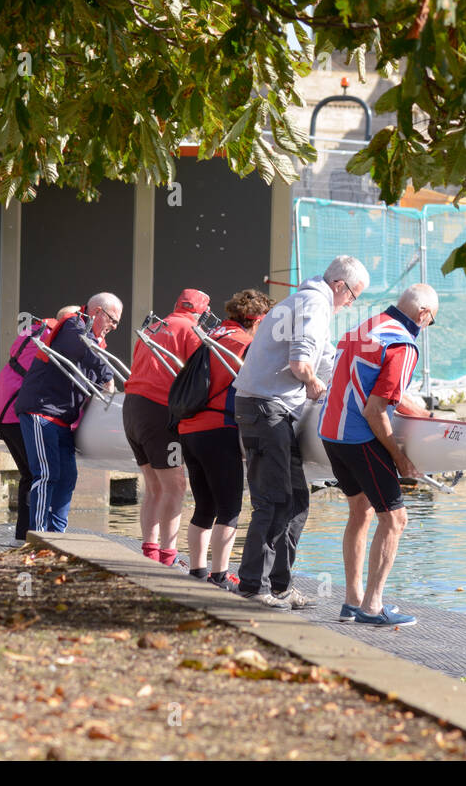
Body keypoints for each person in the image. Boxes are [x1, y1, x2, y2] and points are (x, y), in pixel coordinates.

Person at [232, 255, 370, 609]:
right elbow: (302, 363)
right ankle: (252, 587)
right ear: (340, 286)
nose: (350, 304)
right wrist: (312, 383)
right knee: (274, 501)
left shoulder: (304, 300)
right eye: (353, 296)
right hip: (267, 410)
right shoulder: (316, 303)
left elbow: (326, 359)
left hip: (267, 408)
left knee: (296, 501)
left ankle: (280, 586)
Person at [319, 283, 438, 628]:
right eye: (431, 322)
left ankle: (351, 601)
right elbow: (375, 410)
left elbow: (382, 391)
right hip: (360, 438)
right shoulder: (404, 344)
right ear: (423, 314)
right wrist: (400, 457)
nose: (428, 328)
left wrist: (425, 418)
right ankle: (373, 607)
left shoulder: (366, 327)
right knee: (395, 520)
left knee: (361, 510)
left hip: (330, 433)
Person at [178, 289, 273, 591]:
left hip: (189, 428)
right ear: (257, 320)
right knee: (230, 507)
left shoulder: (214, 335)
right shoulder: (245, 344)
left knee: (204, 505)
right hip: (218, 428)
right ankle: (219, 577)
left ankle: (197, 572)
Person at [13, 293, 121, 534]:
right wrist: (108, 377)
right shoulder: (74, 325)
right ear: (98, 312)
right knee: (46, 474)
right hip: (41, 411)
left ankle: (57, 533)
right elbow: (86, 353)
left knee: (68, 476)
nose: (114, 327)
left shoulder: (92, 338)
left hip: (62, 418)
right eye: (112, 320)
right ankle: (39, 535)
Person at [122, 289, 209, 568]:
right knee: (175, 486)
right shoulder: (192, 330)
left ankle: (149, 551)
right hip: (159, 411)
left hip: (132, 407)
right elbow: (204, 374)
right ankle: (168, 557)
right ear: (202, 312)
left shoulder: (156, 326)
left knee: (153, 486)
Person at [0, 305, 81, 542]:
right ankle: (32, 535)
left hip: (1, 412)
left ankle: (23, 535)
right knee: (39, 475)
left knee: (30, 475)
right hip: (19, 415)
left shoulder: (34, 331)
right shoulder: (53, 339)